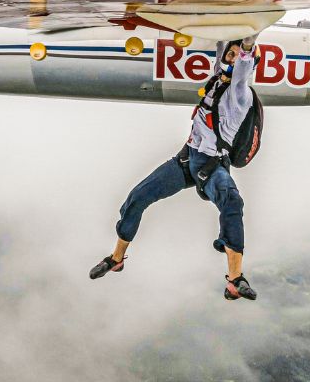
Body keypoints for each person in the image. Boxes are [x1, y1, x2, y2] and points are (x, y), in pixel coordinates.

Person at [90, 36, 259, 301]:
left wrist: (249, 43)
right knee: (137, 197)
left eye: (237, 56)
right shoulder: (217, 79)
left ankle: (235, 279)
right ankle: (116, 259)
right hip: (187, 158)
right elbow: (222, 47)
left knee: (232, 203)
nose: (232, 57)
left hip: (211, 166)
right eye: (230, 54)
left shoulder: (240, 93)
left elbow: (243, 69)